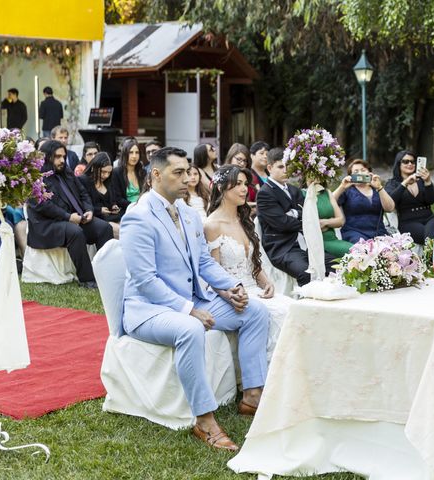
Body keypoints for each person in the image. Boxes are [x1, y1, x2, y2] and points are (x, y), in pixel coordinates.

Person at [120, 146, 269, 451]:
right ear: (156, 175)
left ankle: (252, 396)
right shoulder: (137, 217)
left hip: (193, 300)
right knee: (190, 329)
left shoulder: (188, 213)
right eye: (178, 172)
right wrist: (189, 310)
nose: (188, 178)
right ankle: (204, 420)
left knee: (255, 311)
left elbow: (203, 261)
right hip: (148, 310)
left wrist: (231, 288)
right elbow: (145, 281)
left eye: (188, 171)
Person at [205, 164, 293, 361]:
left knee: (292, 307)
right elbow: (213, 273)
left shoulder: (245, 220)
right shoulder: (211, 225)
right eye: (237, 184)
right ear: (221, 188)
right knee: (282, 313)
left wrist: (267, 283)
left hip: (256, 288)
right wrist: (231, 295)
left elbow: (254, 264)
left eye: (246, 184)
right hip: (233, 292)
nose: (245, 189)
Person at [26, 140, 113, 288]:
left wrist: (89, 211)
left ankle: (109, 273)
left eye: (63, 156)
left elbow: (83, 193)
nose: (62, 160)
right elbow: (43, 206)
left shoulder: (66, 171)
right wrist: (68, 217)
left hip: (75, 218)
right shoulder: (35, 177)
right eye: (57, 157)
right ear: (47, 157)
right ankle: (87, 279)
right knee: (75, 232)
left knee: (104, 228)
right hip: (47, 224)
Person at [256, 147, 337, 286]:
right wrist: (302, 218)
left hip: (306, 244)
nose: (286, 170)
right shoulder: (265, 193)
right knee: (306, 274)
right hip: (283, 248)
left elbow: (306, 214)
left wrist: (294, 214)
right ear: (269, 167)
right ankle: (309, 306)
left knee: (335, 265)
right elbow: (283, 223)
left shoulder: (294, 190)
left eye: (288, 166)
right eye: (281, 167)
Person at [333, 159, 395, 243]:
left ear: (370, 173)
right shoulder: (347, 191)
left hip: (379, 232)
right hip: (354, 233)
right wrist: (342, 187)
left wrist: (379, 187)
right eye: (356, 171)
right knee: (363, 248)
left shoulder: (377, 190)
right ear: (350, 176)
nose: (360, 173)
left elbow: (390, 208)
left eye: (363, 170)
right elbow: (329, 202)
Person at [384, 150, 434, 245]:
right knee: (430, 235)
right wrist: (404, 184)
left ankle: (430, 248)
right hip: (408, 222)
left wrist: (428, 182)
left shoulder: (421, 180)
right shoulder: (392, 183)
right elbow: (390, 202)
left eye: (412, 161)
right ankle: (431, 251)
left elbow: (432, 199)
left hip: (428, 217)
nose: (410, 164)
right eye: (406, 161)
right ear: (399, 164)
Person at [303, 179, 352, 258]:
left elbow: (340, 221)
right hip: (318, 242)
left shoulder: (326, 192)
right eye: (311, 174)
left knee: (359, 251)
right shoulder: (302, 194)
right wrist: (331, 222)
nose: (315, 179)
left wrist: (325, 222)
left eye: (318, 175)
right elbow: (310, 225)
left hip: (333, 239)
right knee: (355, 253)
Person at [78, 152, 123, 238]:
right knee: (121, 231)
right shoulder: (83, 180)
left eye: (109, 172)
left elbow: (112, 200)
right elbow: (82, 205)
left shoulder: (108, 181)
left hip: (112, 217)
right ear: (94, 167)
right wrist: (99, 210)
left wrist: (113, 205)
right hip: (95, 219)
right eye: (103, 172)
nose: (106, 175)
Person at [111, 137, 147, 211]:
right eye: (131, 152)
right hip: (127, 209)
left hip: (144, 208)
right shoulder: (116, 172)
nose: (134, 156)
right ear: (124, 154)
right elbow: (118, 198)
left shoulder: (143, 172)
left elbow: (147, 193)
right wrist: (134, 206)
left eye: (137, 153)